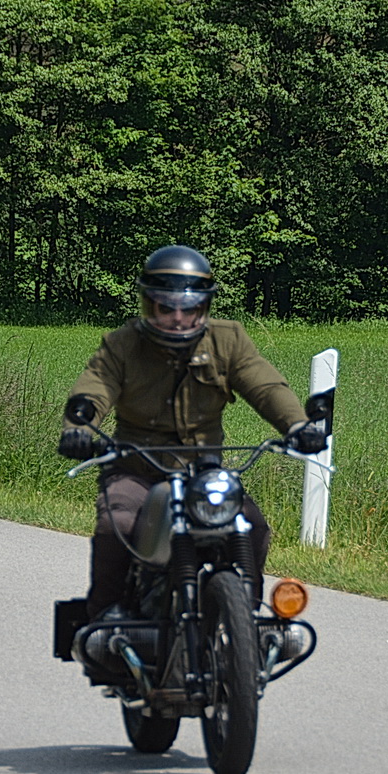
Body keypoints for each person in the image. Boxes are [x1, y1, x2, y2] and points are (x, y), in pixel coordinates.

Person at [58, 245, 327, 618]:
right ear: (148, 305)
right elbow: (94, 388)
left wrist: (298, 425)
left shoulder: (228, 340)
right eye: (165, 307)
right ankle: (106, 618)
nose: (178, 317)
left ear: (205, 307)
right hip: (137, 469)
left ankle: (244, 621)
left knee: (253, 527)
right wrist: (79, 427)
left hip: (204, 471)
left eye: (190, 308)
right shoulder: (122, 345)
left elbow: (265, 386)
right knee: (115, 524)